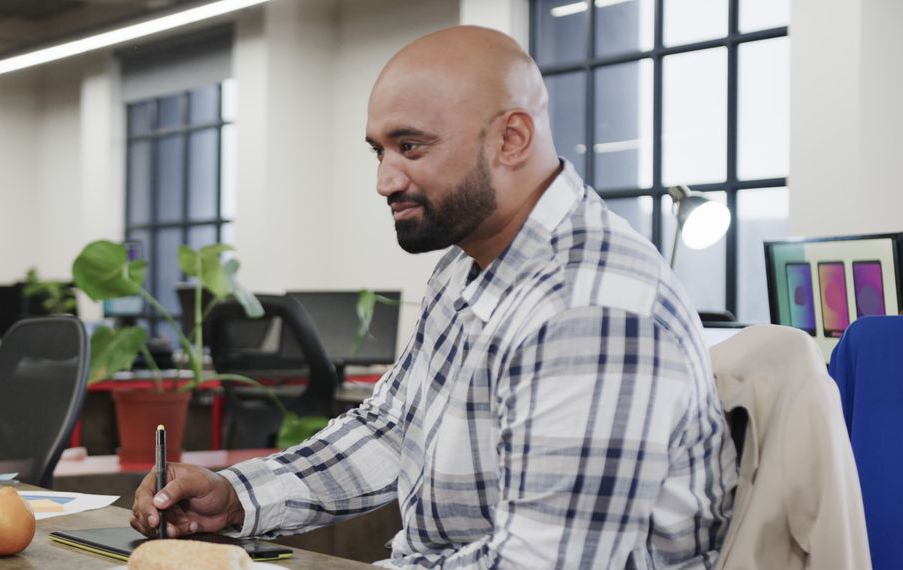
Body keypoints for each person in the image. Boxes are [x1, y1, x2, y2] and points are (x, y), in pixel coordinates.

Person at [130, 25, 737, 568]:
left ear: (512, 138)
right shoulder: (466, 266)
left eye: (411, 146)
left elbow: (544, 561)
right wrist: (237, 495)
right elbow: (394, 430)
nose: (384, 180)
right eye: (379, 150)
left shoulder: (590, 308)